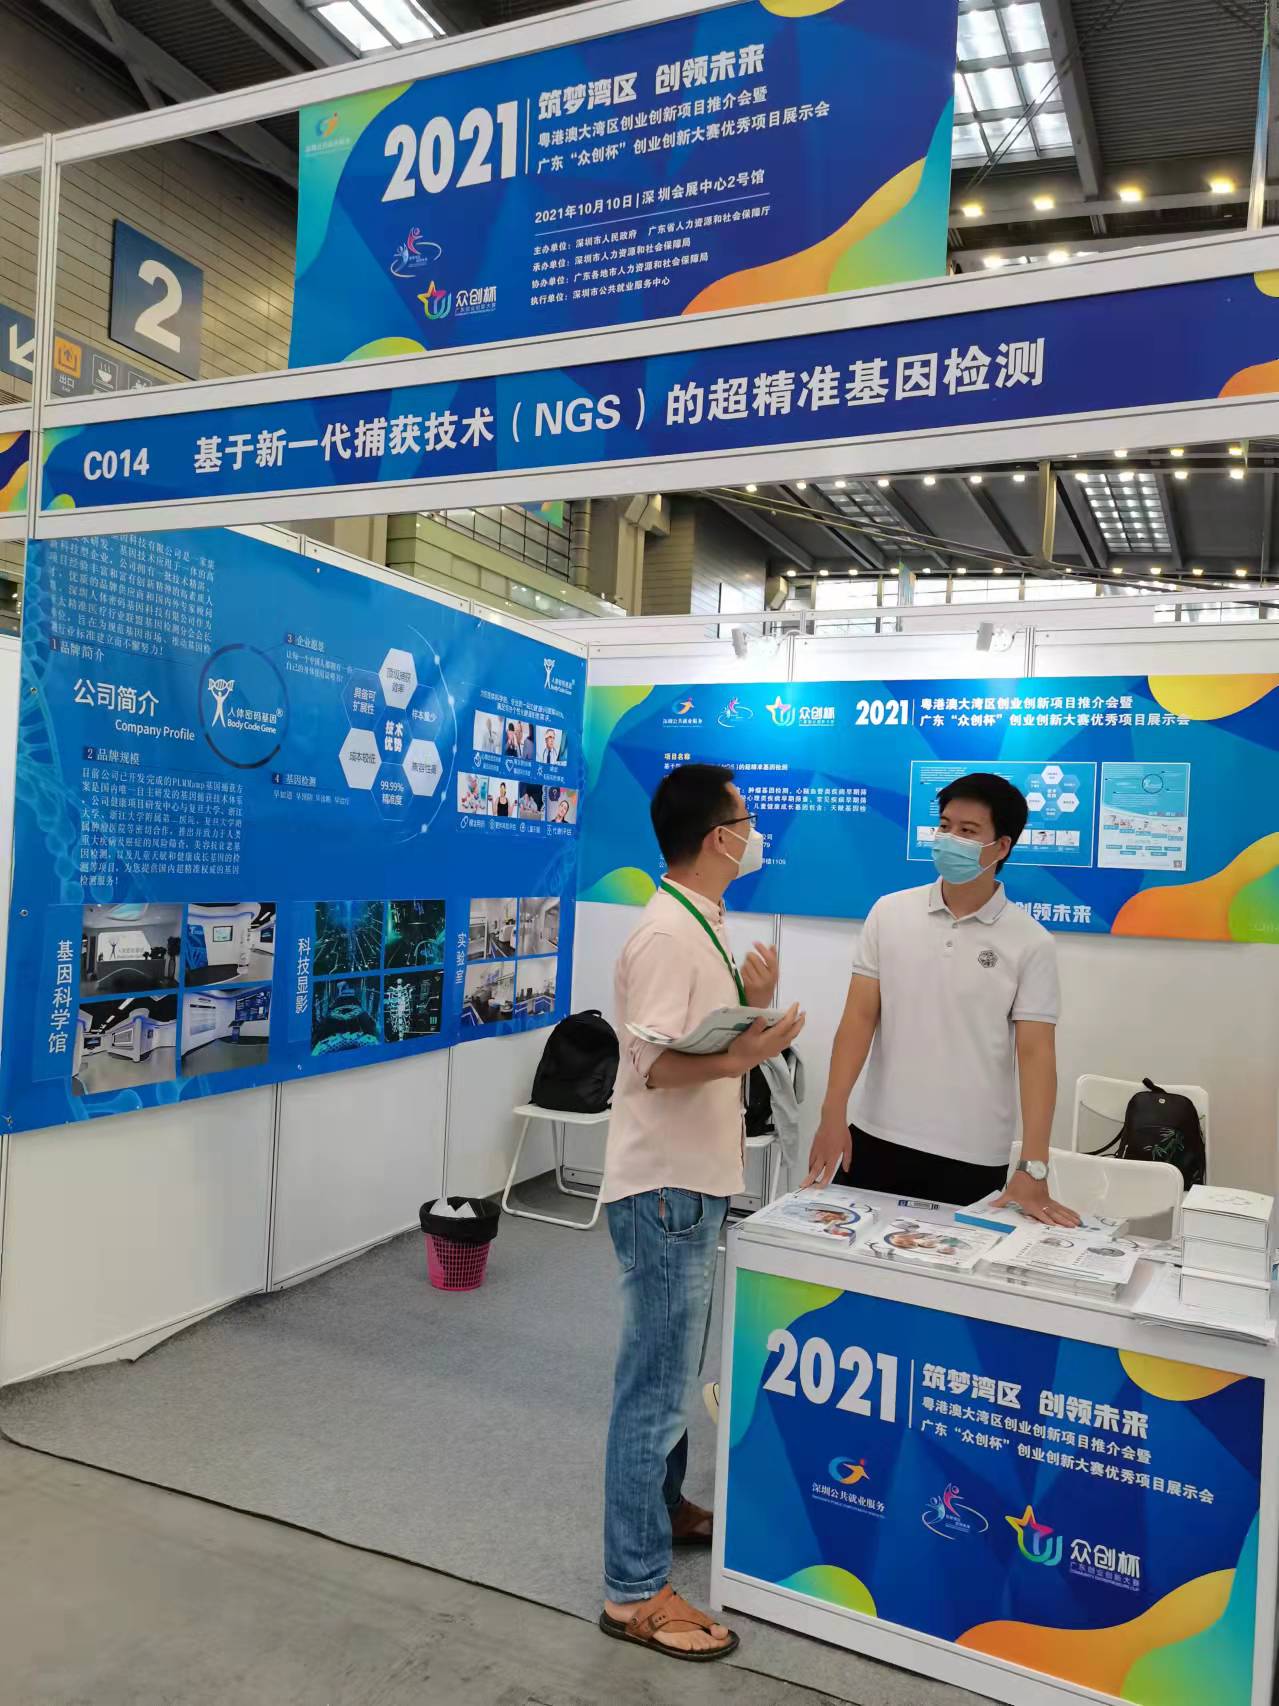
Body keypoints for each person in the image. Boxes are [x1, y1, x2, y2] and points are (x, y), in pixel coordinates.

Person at [599, 763, 805, 1663]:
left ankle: (666, 1508)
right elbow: (653, 1065)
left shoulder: (702, 922)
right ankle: (632, 1590)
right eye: (746, 820)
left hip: (694, 1181)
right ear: (719, 837)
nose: (754, 832)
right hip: (665, 1189)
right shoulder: (665, 934)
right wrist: (746, 1052)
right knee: (652, 1390)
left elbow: (696, 1037)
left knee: (673, 1372)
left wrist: (750, 1014)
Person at [806, 772, 1078, 1226]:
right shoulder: (889, 913)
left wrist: (1034, 1166)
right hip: (877, 1136)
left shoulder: (1031, 942)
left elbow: (1036, 1056)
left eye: (968, 831)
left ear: (1001, 847)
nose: (950, 840)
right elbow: (858, 1019)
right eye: (945, 826)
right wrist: (832, 1113)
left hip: (973, 1154)